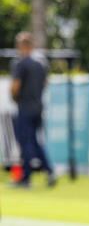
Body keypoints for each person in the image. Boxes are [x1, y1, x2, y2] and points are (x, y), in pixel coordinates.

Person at [9, 31, 55, 188]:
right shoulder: (40, 64)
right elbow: (44, 84)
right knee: (35, 141)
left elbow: (15, 86)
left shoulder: (20, 64)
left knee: (25, 142)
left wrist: (15, 97)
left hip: (25, 108)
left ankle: (26, 176)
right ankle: (49, 171)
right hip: (37, 107)